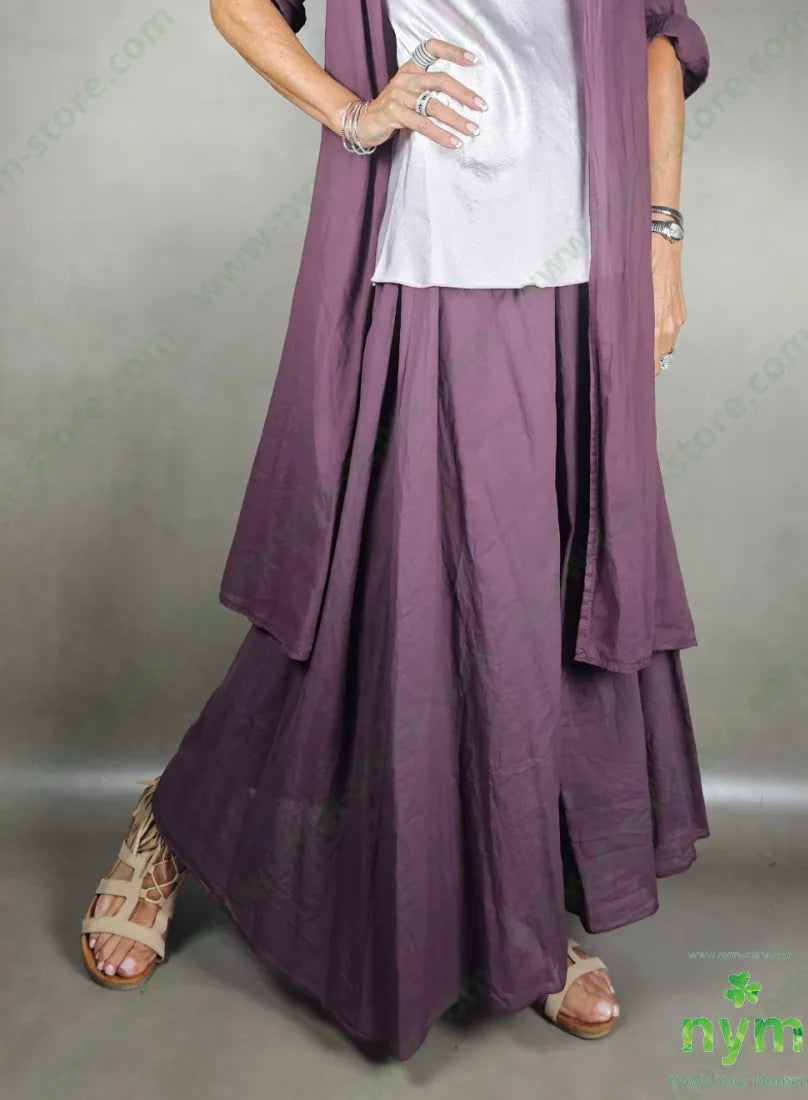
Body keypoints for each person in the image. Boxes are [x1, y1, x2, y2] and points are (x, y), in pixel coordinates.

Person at [80, 0, 712, 1060]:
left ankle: (517, 914)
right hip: (429, 269)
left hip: (582, 287)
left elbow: (659, 40)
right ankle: (180, 817)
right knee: (383, 601)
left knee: (543, 613)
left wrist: (661, 232)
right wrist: (353, 114)